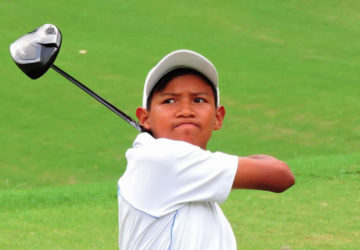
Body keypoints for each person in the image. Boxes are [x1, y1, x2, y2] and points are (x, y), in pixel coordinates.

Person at [117, 49, 295, 250]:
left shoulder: (186, 174)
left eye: (198, 100)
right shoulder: (161, 159)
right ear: (145, 119)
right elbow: (281, 176)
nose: (185, 111)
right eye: (169, 101)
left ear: (218, 117)